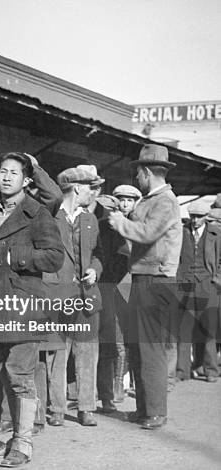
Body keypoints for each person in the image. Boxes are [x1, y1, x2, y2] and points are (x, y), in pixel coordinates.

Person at [0, 152, 64, 468]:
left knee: (19, 374)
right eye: (1, 171)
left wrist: (14, 258)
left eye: (13, 173)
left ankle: (23, 442)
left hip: (23, 306)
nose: (6, 177)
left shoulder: (38, 214)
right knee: (0, 373)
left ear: (26, 180)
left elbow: (53, 257)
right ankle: (12, 437)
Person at [108, 144, 182, 430]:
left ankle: (156, 412)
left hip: (156, 280)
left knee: (151, 348)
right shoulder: (152, 200)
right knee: (138, 347)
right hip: (143, 277)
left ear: (147, 172)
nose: (137, 179)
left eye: (138, 174)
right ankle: (144, 410)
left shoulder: (165, 201)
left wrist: (119, 223)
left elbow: (148, 233)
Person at [45, 168, 103, 427]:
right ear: (77, 188)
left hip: (87, 296)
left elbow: (100, 254)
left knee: (87, 353)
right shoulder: (48, 218)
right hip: (57, 295)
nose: (93, 192)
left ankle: (86, 407)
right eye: (89, 187)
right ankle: (57, 408)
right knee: (57, 354)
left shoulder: (92, 220)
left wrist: (95, 270)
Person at [97, 184, 141, 406]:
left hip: (127, 286)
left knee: (122, 341)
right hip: (106, 285)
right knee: (108, 340)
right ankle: (105, 390)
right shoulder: (102, 226)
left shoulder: (137, 226)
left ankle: (117, 385)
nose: (124, 204)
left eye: (129, 200)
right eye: (120, 200)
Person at [175, 200, 220, 383]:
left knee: (208, 330)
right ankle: (182, 371)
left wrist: (216, 280)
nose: (195, 221)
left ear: (206, 217)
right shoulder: (181, 232)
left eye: (199, 217)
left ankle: (211, 370)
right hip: (185, 285)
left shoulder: (216, 235)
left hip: (207, 286)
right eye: (193, 216)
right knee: (184, 330)